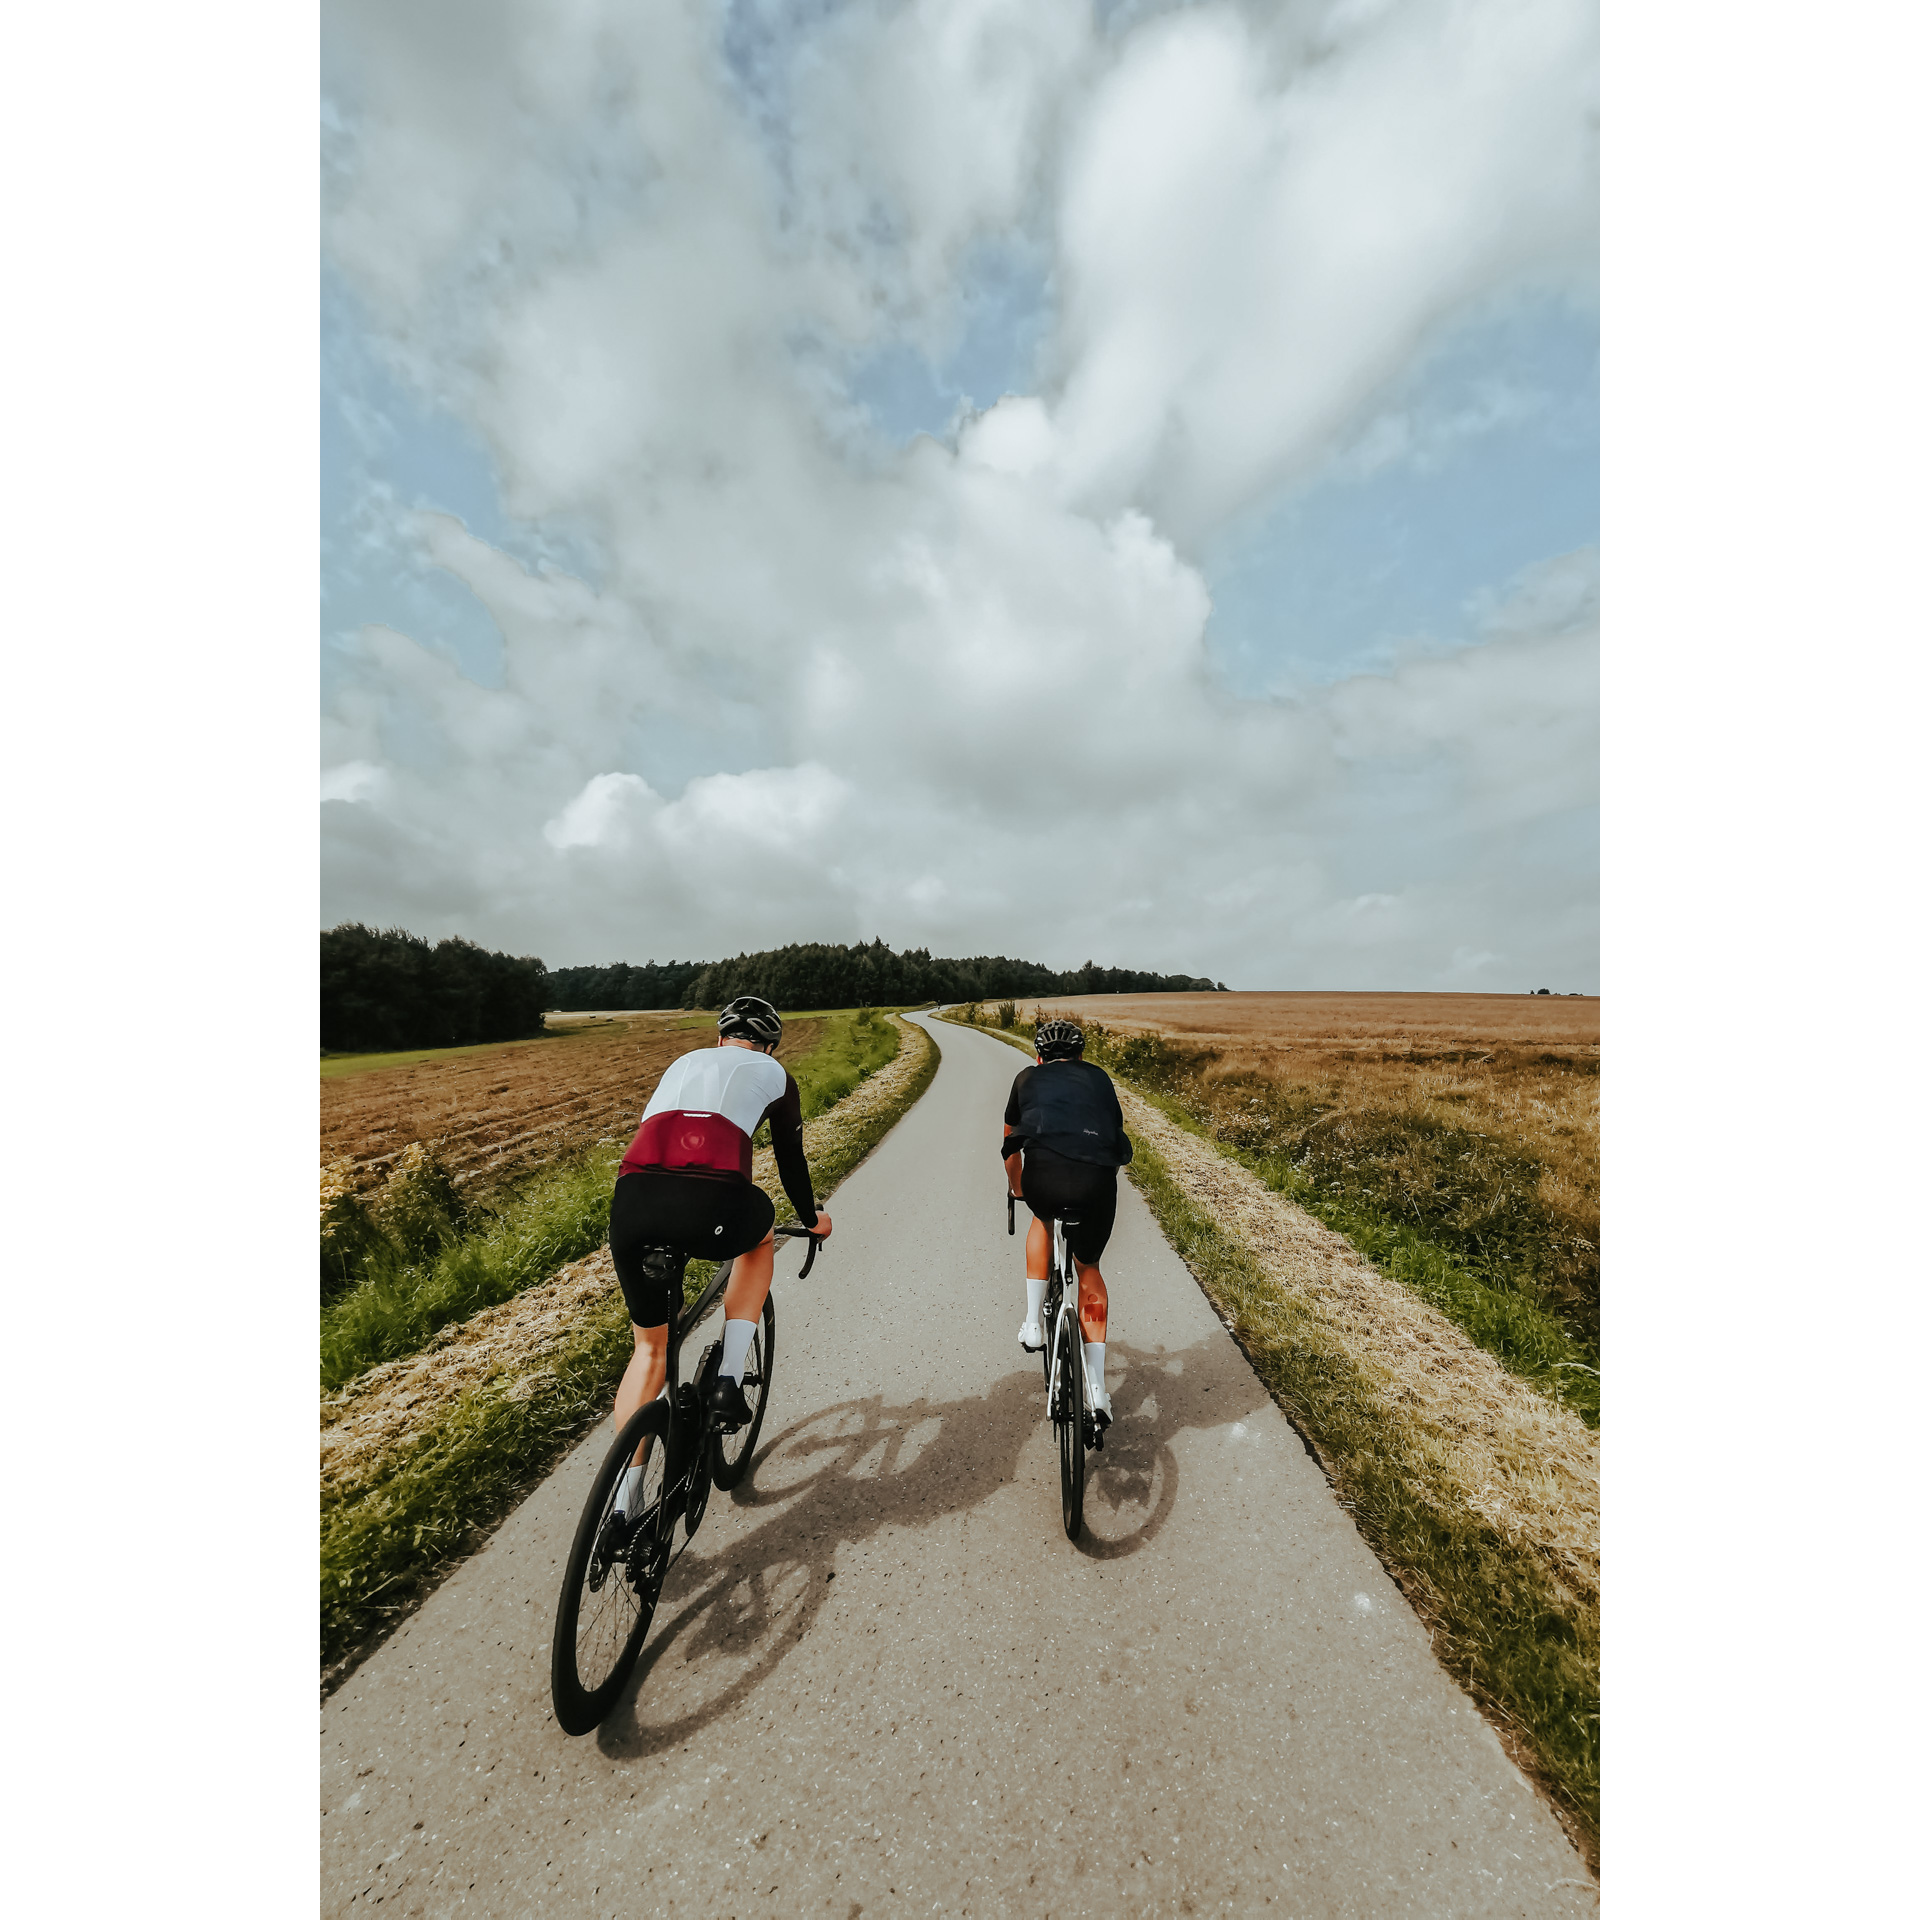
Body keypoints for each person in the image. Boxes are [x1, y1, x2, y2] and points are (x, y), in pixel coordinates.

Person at [604, 995, 831, 1520]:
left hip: (635, 1202)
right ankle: (729, 1377)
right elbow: (790, 1161)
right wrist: (813, 1216)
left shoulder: (681, 1065)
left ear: (720, 1036)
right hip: (715, 1202)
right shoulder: (774, 1072)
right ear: (770, 1044)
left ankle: (621, 1509)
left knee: (650, 1352)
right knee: (760, 1234)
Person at [1002, 1017, 1132, 1426]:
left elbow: (1010, 1146)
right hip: (1096, 1183)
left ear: (1039, 1057)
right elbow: (1113, 1131)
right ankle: (1096, 1388)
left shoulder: (1026, 1079)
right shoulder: (1100, 1078)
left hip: (1045, 1179)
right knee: (1088, 1268)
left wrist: (1019, 1189)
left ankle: (1032, 1324)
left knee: (1042, 1220)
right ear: (1080, 1056)